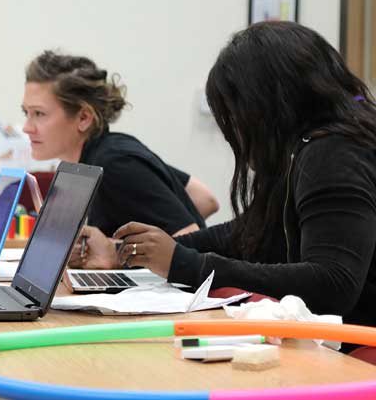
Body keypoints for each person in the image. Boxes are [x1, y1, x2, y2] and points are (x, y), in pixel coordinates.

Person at [77, 22, 376, 342]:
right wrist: (131, 251)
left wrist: (187, 264)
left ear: (265, 108)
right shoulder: (316, 147)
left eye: (235, 118)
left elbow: (333, 283)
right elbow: (251, 230)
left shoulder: (333, 154)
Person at [21, 50, 218, 245]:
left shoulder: (116, 163)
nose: (27, 127)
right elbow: (204, 198)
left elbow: (190, 237)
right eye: (26, 112)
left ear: (83, 118)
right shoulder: (109, 151)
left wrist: (120, 253)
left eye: (39, 114)